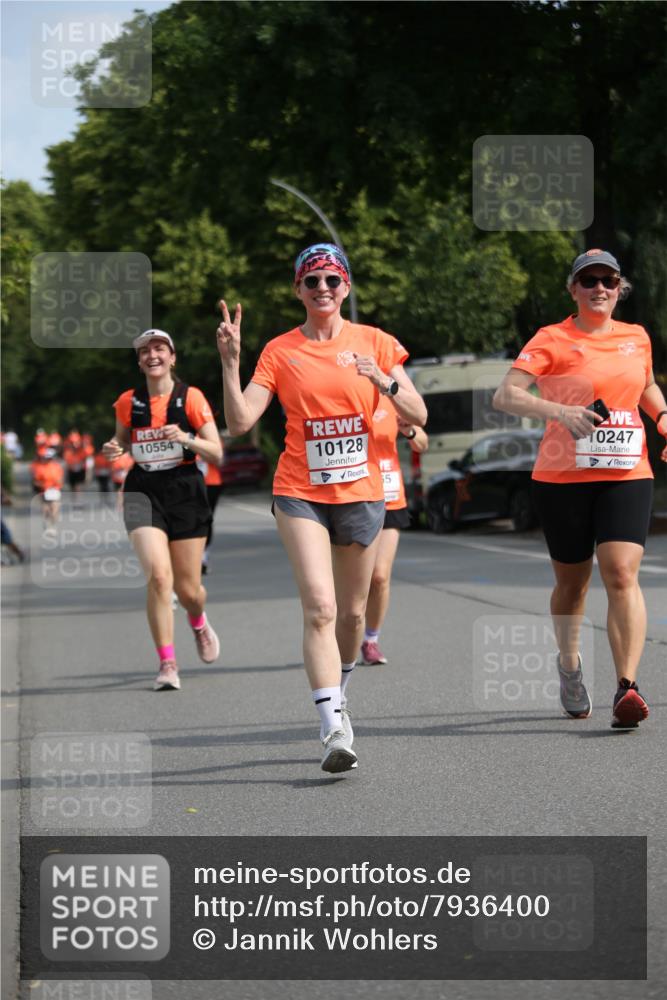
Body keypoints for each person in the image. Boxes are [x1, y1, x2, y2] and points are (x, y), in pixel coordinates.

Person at [216, 242, 427, 772]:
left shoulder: (376, 342)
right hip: (300, 491)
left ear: (346, 287)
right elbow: (241, 421)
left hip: (361, 492)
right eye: (312, 282)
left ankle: (342, 684)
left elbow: (417, 410)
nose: (323, 290)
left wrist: (381, 379)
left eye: (332, 280)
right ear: (298, 290)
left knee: (353, 614)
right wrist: (230, 361)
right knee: (321, 608)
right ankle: (333, 725)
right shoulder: (280, 350)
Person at [493, 249, 667, 730]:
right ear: (573, 289)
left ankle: (626, 687)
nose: (599, 288)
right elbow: (506, 394)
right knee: (573, 585)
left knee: (621, 572)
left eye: (607, 280)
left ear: (619, 287)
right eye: (588, 280)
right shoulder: (552, 338)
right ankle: (569, 666)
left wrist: (665, 418)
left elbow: (646, 386)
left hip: (627, 471)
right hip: (562, 478)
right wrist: (560, 413)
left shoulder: (636, 337)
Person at [102, 328, 223, 691]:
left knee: (189, 591)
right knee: (158, 576)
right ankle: (167, 663)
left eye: (159, 349)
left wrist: (185, 438)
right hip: (143, 490)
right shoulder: (128, 401)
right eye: (144, 351)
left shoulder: (191, 398)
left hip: (185, 489)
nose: (152, 355)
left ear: (172, 357)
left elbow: (216, 451)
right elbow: (121, 440)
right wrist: (114, 448)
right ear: (139, 361)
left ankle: (198, 620)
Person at [361, 404, 428, 664]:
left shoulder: (395, 399)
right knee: (352, 579)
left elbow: (422, 444)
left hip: (390, 496)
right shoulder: (346, 394)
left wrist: (409, 430)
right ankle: (342, 630)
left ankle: (371, 640)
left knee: (379, 576)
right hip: (354, 496)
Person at [197, 432, 224, 575]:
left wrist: (197, 447)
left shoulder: (211, 434)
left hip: (211, 483)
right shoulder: (182, 432)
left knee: (206, 520)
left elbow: (219, 459)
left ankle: (203, 555)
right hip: (190, 484)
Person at [30, 446, 64, 531]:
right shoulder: (40, 468)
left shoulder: (57, 467)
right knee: (45, 509)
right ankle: (47, 522)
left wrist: (58, 483)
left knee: (54, 508)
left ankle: (53, 525)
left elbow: (60, 479)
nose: (48, 459)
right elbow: (35, 481)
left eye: (50, 458)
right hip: (44, 491)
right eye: (47, 458)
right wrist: (42, 485)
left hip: (55, 490)